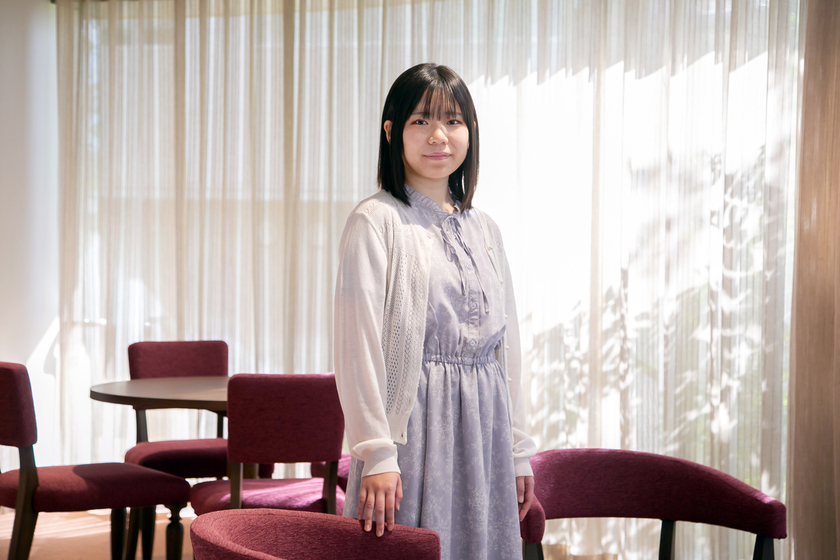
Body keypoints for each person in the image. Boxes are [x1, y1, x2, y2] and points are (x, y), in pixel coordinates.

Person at [333, 62, 537, 560]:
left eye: (453, 120)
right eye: (420, 121)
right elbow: (357, 347)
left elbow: (507, 348)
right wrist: (376, 451)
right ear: (392, 132)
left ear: (470, 131)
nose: (438, 135)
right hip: (412, 437)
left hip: (485, 435)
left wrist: (518, 450)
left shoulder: (485, 229)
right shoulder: (375, 220)